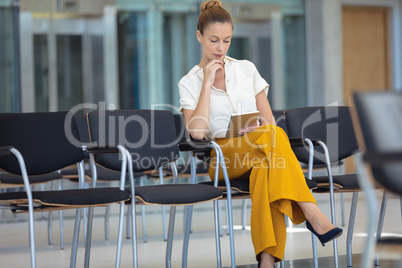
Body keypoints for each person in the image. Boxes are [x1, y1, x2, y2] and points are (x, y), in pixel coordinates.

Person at [178, 1, 343, 267]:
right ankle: (311, 212)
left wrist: (255, 127)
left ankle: (267, 261)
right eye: (213, 41)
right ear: (199, 37)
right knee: (272, 136)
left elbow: (268, 120)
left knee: (265, 169)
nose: (220, 48)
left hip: (259, 147)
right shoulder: (189, 82)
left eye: (227, 40)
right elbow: (197, 133)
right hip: (222, 157)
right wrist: (206, 84)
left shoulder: (246, 69)